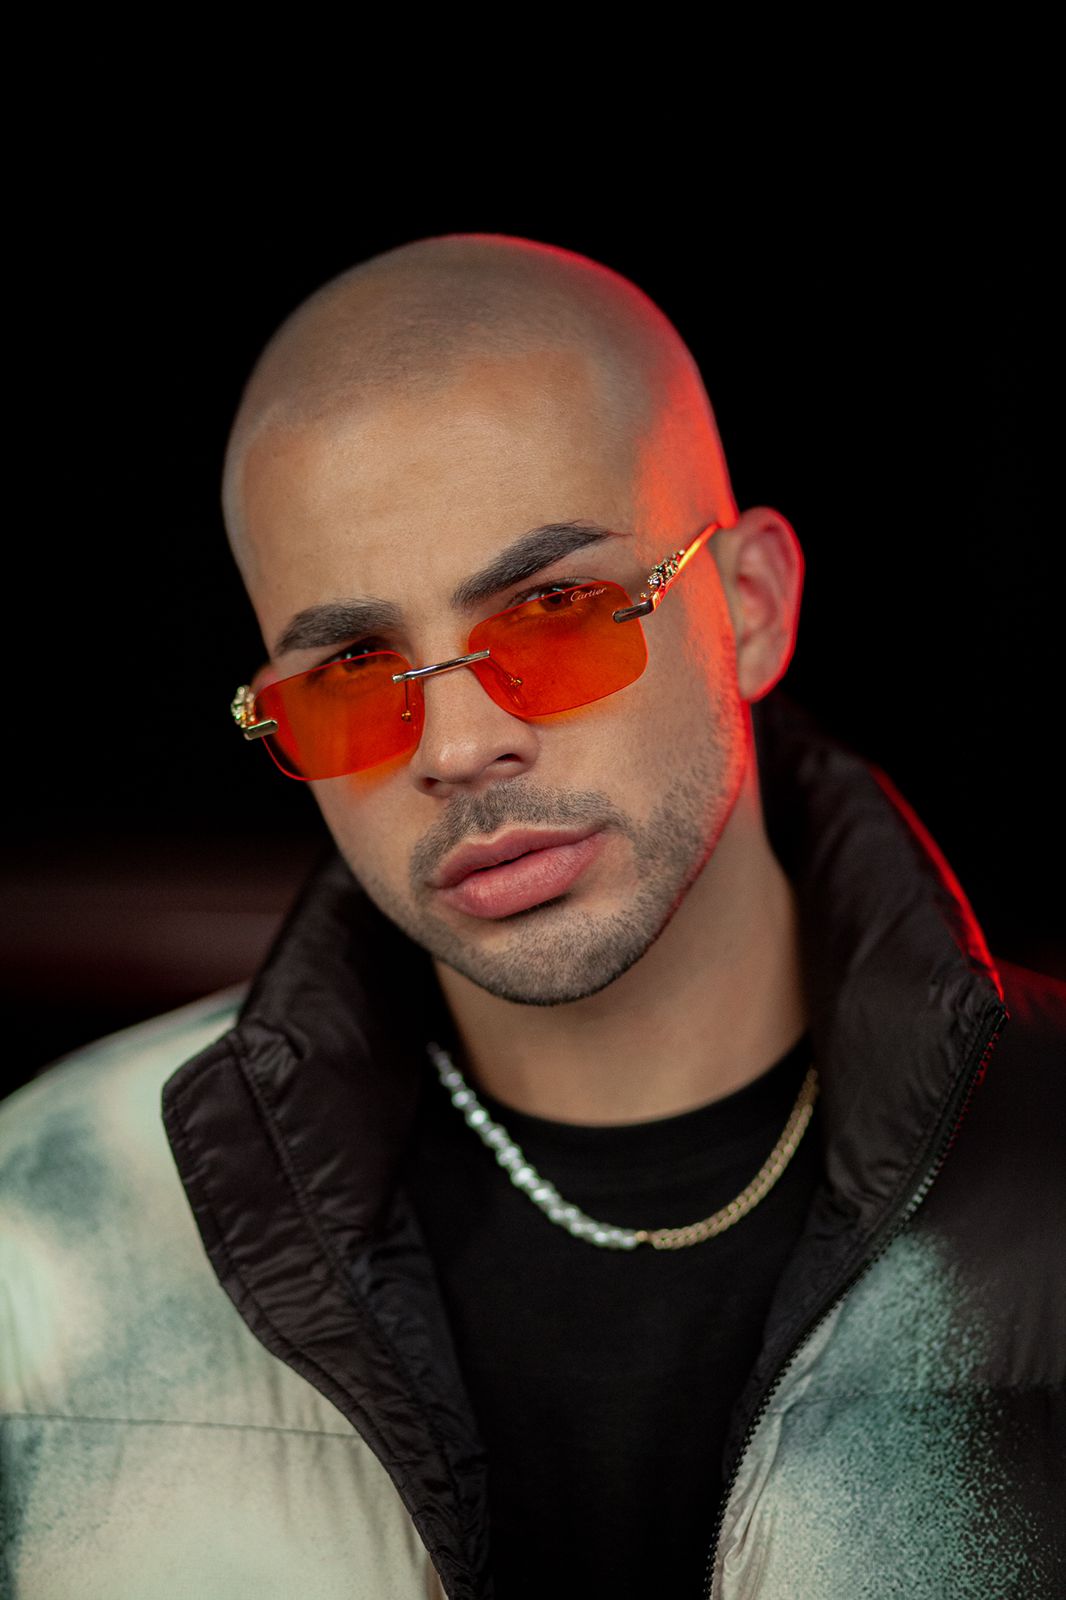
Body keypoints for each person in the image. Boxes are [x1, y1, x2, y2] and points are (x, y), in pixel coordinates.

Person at [1, 234, 1062, 1600]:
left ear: (748, 606)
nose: (457, 747)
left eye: (555, 609)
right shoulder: (42, 1240)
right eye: (352, 672)